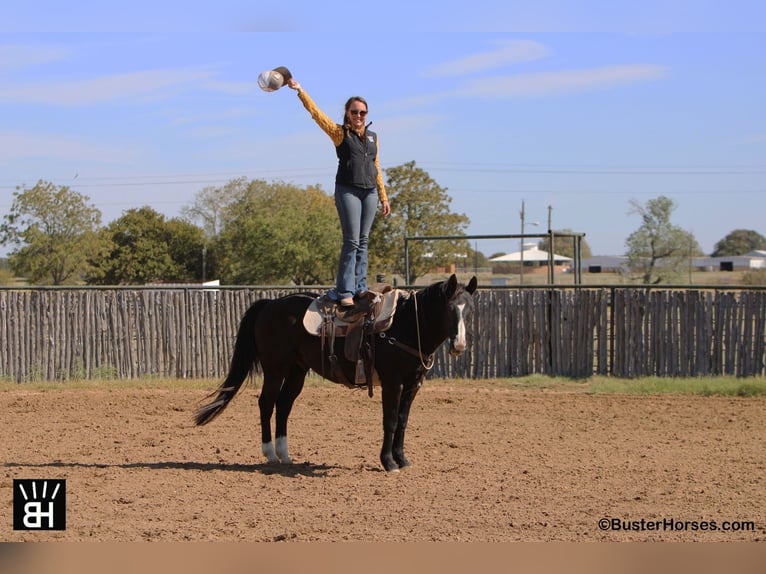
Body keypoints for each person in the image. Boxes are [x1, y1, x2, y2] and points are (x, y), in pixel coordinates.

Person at [286, 77, 391, 309]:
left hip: (370, 192)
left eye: (363, 112)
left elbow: (377, 166)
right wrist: (300, 91)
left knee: (364, 241)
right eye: (355, 112)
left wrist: (383, 196)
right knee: (352, 241)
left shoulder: (373, 137)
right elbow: (316, 114)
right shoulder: (339, 133)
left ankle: (360, 287)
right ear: (347, 112)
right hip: (348, 191)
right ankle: (345, 290)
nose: (359, 116)